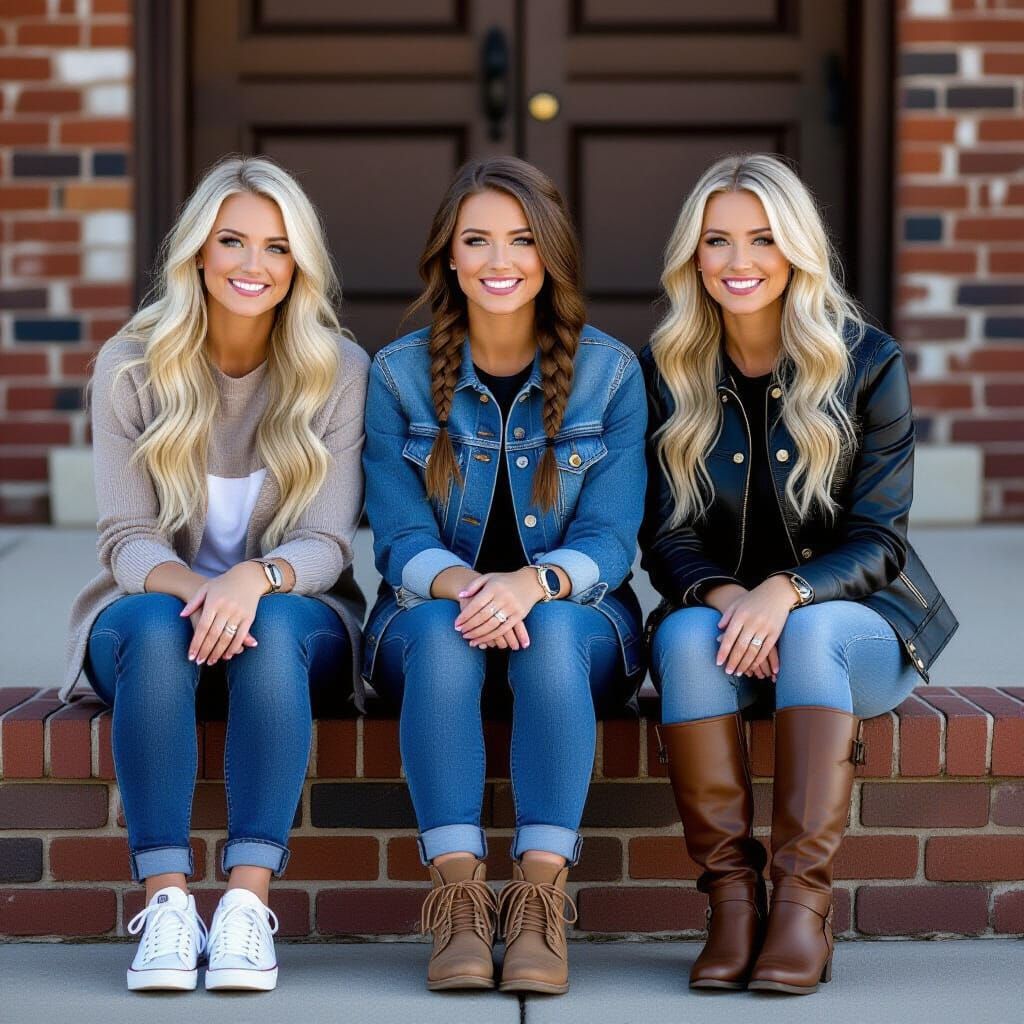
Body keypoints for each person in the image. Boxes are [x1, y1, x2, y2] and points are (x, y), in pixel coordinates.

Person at [640, 153, 958, 995]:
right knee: (679, 636)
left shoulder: (867, 362)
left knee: (812, 629)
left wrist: (788, 589)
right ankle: (732, 905)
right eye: (718, 241)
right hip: (730, 626)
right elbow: (664, 537)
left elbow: (880, 539)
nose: (740, 262)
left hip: (862, 626)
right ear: (693, 257)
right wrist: (724, 594)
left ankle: (801, 909)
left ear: (797, 251)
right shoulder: (668, 368)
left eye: (763, 239)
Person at [63, 156, 369, 993]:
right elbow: (126, 539)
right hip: (153, 611)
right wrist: (203, 592)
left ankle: (242, 907)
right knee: (160, 630)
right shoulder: (132, 364)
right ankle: (166, 906)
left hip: (296, 612)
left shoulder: (337, 369)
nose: (251, 265)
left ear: (298, 264)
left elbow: (327, 543)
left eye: (275, 247)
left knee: (268, 629)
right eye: (230, 241)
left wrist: (252, 581)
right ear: (196, 253)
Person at [362, 157, 646, 994]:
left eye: (522, 241)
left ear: (550, 255)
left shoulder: (611, 373)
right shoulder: (396, 374)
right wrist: (471, 589)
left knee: (552, 633)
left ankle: (538, 902)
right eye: (476, 239)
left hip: (577, 620)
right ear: (447, 256)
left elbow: (611, 540)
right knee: (447, 638)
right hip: (428, 615)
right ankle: (456, 900)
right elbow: (399, 536)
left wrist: (532, 585)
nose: (499, 260)